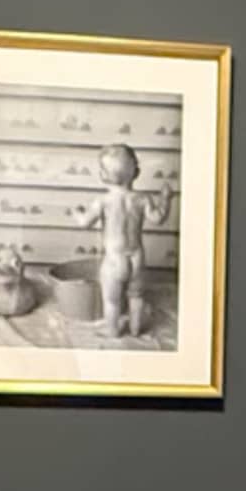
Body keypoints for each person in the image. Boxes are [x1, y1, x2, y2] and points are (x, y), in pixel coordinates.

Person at [95, 141, 152, 344]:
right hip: (137, 257)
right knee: (136, 296)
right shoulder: (143, 199)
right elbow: (157, 218)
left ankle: (112, 330)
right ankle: (136, 329)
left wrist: (76, 214)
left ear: (103, 176)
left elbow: (85, 222)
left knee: (111, 300)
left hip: (114, 260)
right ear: (136, 172)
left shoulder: (103, 201)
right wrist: (166, 200)